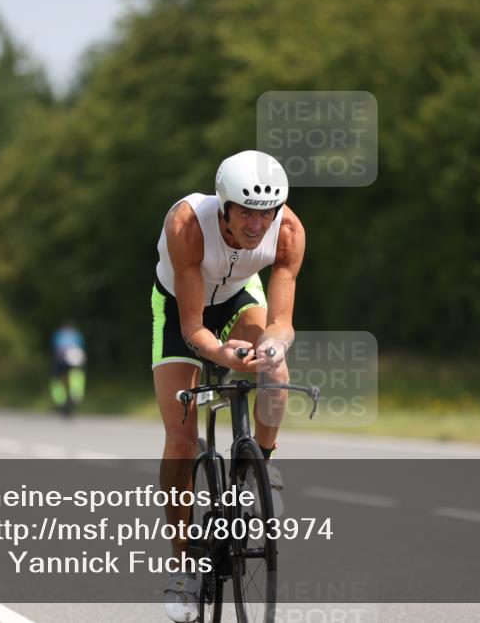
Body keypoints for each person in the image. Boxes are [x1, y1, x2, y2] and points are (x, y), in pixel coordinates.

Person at [151, 150, 305, 621]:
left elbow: (282, 323)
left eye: (267, 213)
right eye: (246, 213)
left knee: (275, 371)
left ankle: (263, 466)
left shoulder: (289, 233)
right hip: (182, 307)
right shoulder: (187, 226)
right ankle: (182, 567)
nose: (258, 225)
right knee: (180, 438)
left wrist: (272, 348)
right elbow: (196, 330)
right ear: (224, 206)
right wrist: (225, 353)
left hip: (241, 295)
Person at [50, 321, 86, 410]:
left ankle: (59, 398)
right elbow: (82, 348)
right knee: (77, 373)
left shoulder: (58, 334)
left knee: (56, 377)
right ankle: (76, 394)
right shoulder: (77, 335)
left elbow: (54, 348)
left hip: (61, 358)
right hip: (75, 357)